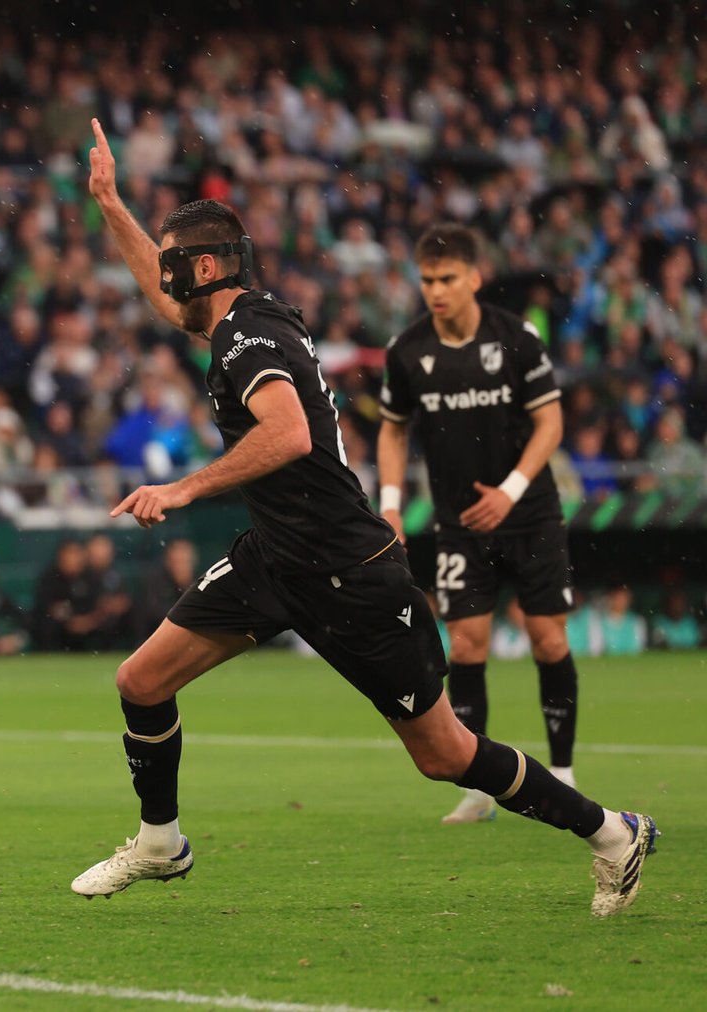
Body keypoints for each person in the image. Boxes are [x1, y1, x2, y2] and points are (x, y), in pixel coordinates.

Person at [74, 121, 656, 918]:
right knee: (141, 680)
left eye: (176, 262)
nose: (165, 277)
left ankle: (613, 833)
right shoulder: (237, 319)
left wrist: (184, 489)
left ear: (204, 267)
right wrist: (110, 203)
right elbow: (166, 301)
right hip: (277, 559)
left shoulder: (249, 336)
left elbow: (290, 434)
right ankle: (160, 842)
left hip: (351, 574)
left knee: (445, 756)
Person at [377, 223, 582, 824]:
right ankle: (480, 788)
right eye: (427, 280)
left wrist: (512, 491)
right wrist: (390, 501)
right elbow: (392, 427)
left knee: (548, 639)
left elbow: (551, 423)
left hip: (530, 513)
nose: (435, 291)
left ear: (474, 277)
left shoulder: (515, 338)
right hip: (461, 523)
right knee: (466, 644)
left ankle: (563, 770)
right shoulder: (407, 350)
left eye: (446, 279)